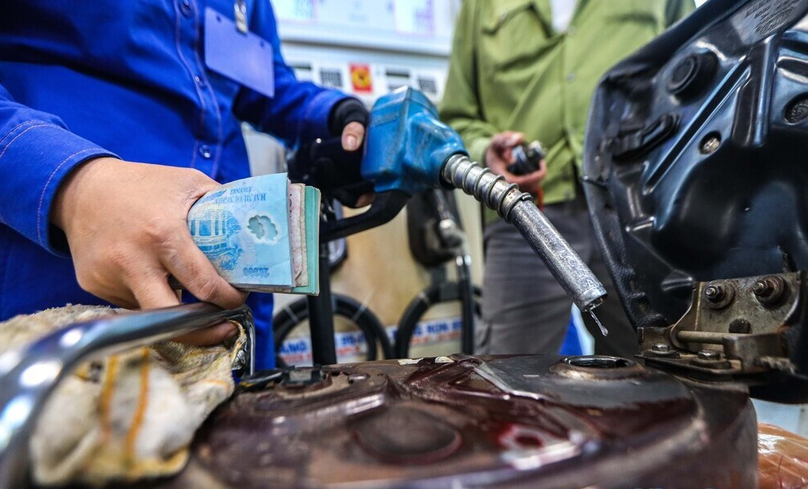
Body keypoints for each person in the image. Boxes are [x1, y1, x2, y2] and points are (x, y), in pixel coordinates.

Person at [0, 1, 368, 368]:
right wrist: (76, 188)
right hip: (59, 299)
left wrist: (335, 114)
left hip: (237, 307)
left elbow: (264, 84)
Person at [440, 0, 695, 356]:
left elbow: (700, 84)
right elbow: (456, 117)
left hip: (636, 208)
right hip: (524, 214)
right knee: (509, 376)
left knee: (664, 364)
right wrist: (486, 150)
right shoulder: (480, 6)